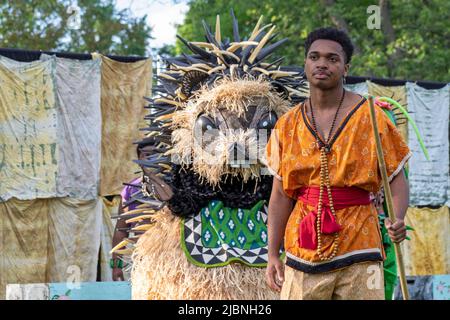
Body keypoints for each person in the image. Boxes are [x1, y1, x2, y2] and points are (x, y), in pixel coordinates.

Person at [265, 27, 411, 299]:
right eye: (314, 57)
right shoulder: (287, 125)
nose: (322, 63)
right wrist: (273, 253)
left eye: (332, 58)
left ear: (345, 68)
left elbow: (397, 181)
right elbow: (280, 195)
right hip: (303, 248)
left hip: (361, 246)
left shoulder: (371, 117)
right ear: (306, 64)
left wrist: (398, 218)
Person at [111, 138, 156, 281]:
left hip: (170, 257)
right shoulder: (130, 190)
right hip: (141, 258)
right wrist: (116, 265)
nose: (151, 158)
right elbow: (121, 230)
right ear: (139, 158)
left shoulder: (173, 187)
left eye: (155, 154)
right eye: (146, 155)